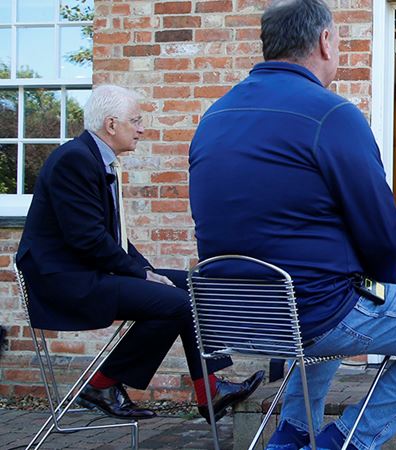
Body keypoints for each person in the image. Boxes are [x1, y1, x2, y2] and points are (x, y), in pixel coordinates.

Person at [188, 0, 396, 448]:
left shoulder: (213, 117)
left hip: (236, 316)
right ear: (325, 41)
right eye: (339, 39)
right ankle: (343, 441)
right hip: (311, 312)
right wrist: (377, 286)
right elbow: (383, 225)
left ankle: (291, 434)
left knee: (327, 294)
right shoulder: (331, 114)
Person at [15, 85, 264, 423]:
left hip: (89, 271)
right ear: (111, 124)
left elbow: (114, 238)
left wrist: (145, 269)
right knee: (176, 302)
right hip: (65, 282)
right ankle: (103, 384)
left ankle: (210, 389)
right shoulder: (74, 160)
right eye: (136, 120)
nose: (143, 128)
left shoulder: (94, 159)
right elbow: (87, 239)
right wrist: (141, 274)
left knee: (192, 285)